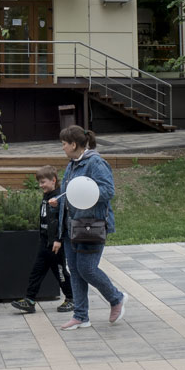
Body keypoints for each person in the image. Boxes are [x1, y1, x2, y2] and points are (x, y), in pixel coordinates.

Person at [54, 125, 126, 330]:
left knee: (87, 268)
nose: (62, 147)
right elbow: (70, 193)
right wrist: (59, 201)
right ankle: (80, 316)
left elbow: (108, 191)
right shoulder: (72, 164)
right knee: (75, 271)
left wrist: (85, 193)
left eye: (64, 144)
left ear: (73, 144)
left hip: (90, 225)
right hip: (70, 226)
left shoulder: (95, 163)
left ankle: (116, 298)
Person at [12, 165, 74, 314]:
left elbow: (62, 220)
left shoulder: (59, 197)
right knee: (37, 271)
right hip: (45, 241)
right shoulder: (47, 196)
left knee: (60, 272)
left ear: (53, 180)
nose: (41, 185)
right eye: (39, 182)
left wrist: (58, 239)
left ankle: (72, 298)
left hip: (55, 244)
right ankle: (30, 300)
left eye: (43, 182)